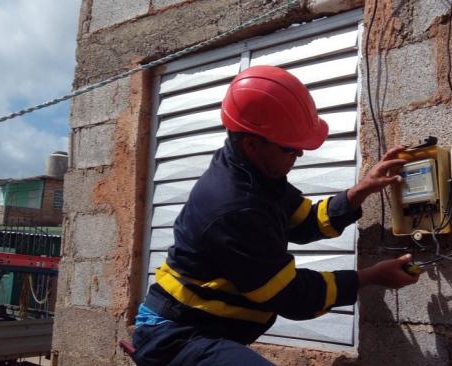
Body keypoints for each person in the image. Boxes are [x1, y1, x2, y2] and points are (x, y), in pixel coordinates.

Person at [132, 65, 420, 366]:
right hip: (174, 334)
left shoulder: (260, 176)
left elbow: (307, 220)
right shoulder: (234, 206)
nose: (300, 156)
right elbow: (290, 295)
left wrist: (361, 190)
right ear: (252, 144)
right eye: (291, 149)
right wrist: (371, 277)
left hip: (205, 327)